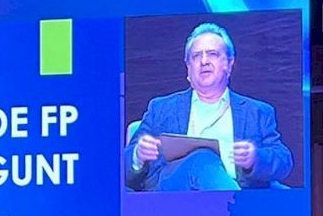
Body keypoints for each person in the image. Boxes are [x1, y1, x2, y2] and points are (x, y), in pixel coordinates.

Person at [124, 22, 292, 191]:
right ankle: (236, 203)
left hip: (235, 188)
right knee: (201, 159)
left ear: (229, 63)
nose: (204, 61)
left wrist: (255, 158)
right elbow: (123, 167)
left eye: (212, 54)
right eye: (196, 56)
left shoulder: (257, 112)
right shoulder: (161, 108)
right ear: (188, 67)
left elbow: (283, 161)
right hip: (175, 195)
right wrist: (137, 155)